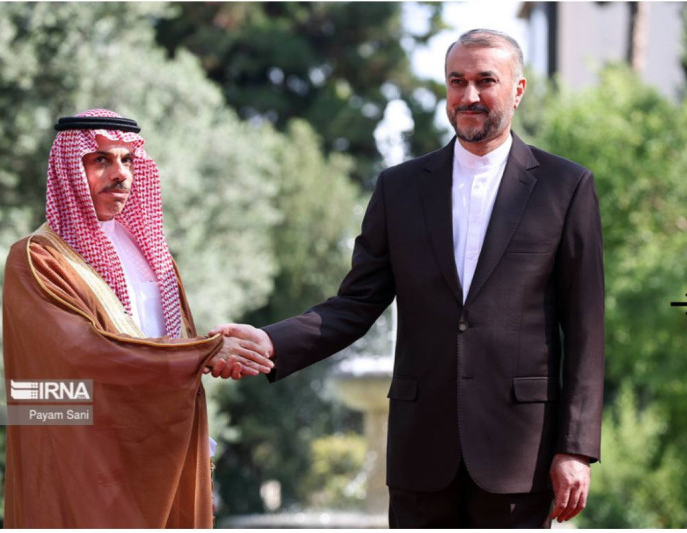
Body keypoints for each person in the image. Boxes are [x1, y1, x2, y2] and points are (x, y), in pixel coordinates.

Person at [213, 29, 605, 528]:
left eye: (486, 81)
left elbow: (586, 329)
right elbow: (354, 305)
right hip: (421, 454)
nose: (469, 95)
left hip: (519, 453)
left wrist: (575, 447)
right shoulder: (398, 188)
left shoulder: (566, 186)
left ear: (518, 90)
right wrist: (271, 341)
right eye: (456, 81)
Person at [2, 109, 273, 528]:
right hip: (86, 462)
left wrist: (211, 357)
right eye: (101, 160)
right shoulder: (37, 259)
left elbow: (173, 345)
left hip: (162, 446)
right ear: (69, 170)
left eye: (127, 160)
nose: (120, 174)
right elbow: (81, 354)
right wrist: (201, 353)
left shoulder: (155, 256)